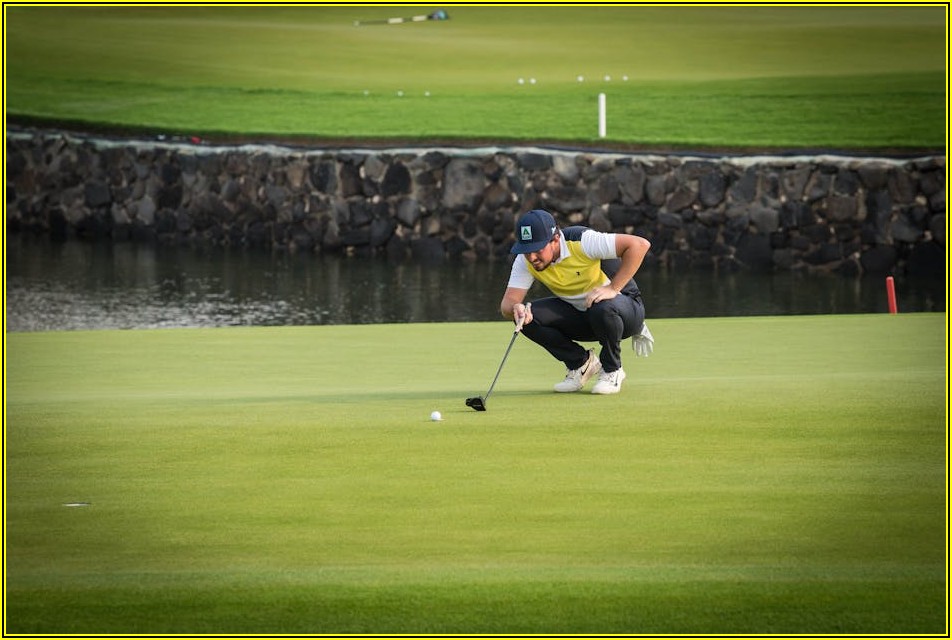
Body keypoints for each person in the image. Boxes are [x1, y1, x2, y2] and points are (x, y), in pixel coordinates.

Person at [500, 209, 654, 395]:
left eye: (537, 249)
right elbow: (507, 304)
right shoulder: (525, 260)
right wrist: (516, 308)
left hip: (625, 310)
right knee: (526, 317)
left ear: (555, 239)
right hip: (585, 315)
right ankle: (581, 364)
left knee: (602, 306)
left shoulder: (583, 241)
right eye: (526, 251)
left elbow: (639, 245)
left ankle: (613, 370)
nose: (532, 257)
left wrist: (613, 288)